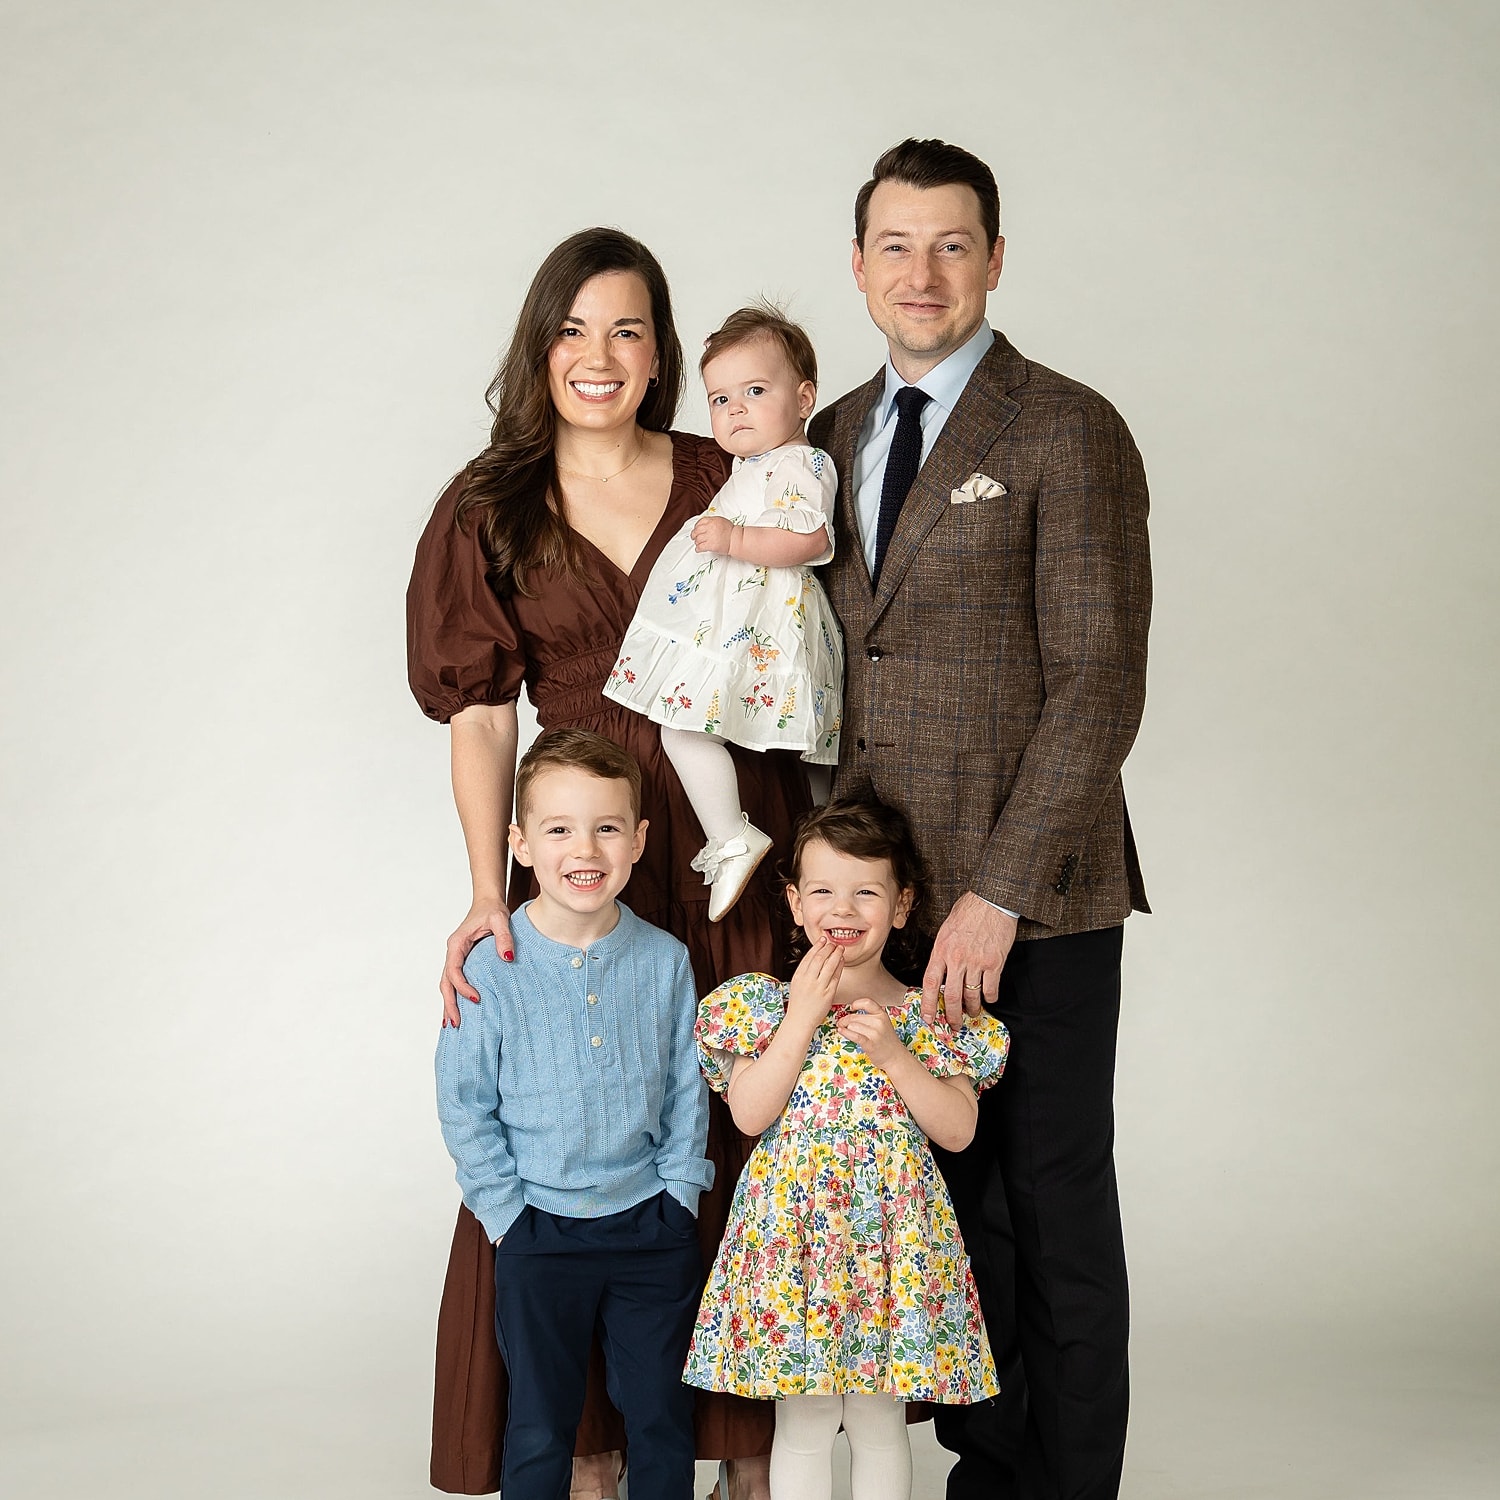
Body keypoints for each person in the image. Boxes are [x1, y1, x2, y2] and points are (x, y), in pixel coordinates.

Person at [408, 227, 807, 1500]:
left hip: (732, 836)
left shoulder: (722, 469)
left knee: (738, 1132)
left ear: (662, 353)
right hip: (591, 844)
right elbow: (480, 714)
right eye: (573, 329)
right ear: (539, 346)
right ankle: (584, 1454)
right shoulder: (490, 506)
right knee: (579, 1128)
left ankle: (747, 1459)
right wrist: (490, 888)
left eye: (628, 330)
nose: (599, 355)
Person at [806, 139, 1152, 1500]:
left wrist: (995, 895)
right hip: (890, 914)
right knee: (950, 1218)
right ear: (859, 267)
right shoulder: (827, 440)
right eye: (896, 245)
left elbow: (1098, 684)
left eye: (952, 245)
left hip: (1040, 901)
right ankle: (985, 1471)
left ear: (996, 261)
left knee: (1051, 1207)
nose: (923, 272)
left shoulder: (1068, 427)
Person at [683, 797, 1010, 1500]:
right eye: (825, 890)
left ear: (901, 906)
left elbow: (957, 1129)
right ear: (796, 903)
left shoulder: (929, 1014)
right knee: (802, 1424)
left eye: (867, 891)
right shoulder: (761, 1007)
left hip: (891, 1245)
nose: (845, 908)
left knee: (877, 1420)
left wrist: (896, 1056)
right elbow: (749, 1112)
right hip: (793, 1244)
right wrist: (802, 1019)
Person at [435, 729, 711, 1500]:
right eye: (558, 829)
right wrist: (507, 1213)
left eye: (607, 827)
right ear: (519, 844)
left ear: (638, 842)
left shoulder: (664, 960)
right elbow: (463, 1103)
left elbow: (689, 1085)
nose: (584, 849)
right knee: (539, 1425)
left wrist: (679, 1194)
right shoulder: (489, 964)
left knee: (660, 1418)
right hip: (538, 1231)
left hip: (649, 1230)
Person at [603, 304, 844, 921]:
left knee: (683, 724)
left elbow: (811, 537)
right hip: (743, 625)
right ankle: (795, 843)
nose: (734, 410)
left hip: (759, 629)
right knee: (769, 745)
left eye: (755, 392)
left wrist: (735, 541)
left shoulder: (801, 463)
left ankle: (734, 836)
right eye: (719, 399)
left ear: (804, 397)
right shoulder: (752, 465)